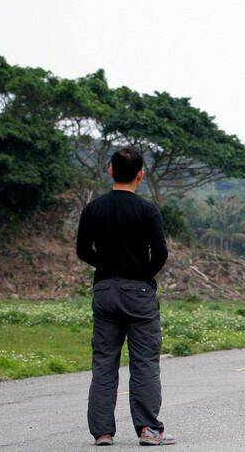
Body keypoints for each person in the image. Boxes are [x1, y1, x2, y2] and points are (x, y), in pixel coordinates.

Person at [76, 147, 175, 446]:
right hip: (139, 292)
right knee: (144, 361)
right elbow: (161, 253)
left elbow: (83, 251)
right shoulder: (147, 210)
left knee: (105, 361)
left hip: (105, 290)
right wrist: (142, 274)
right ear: (141, 175)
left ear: (110, 171)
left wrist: (106, 266)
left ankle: (103, 432)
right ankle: (148, 430)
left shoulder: (93, 208)